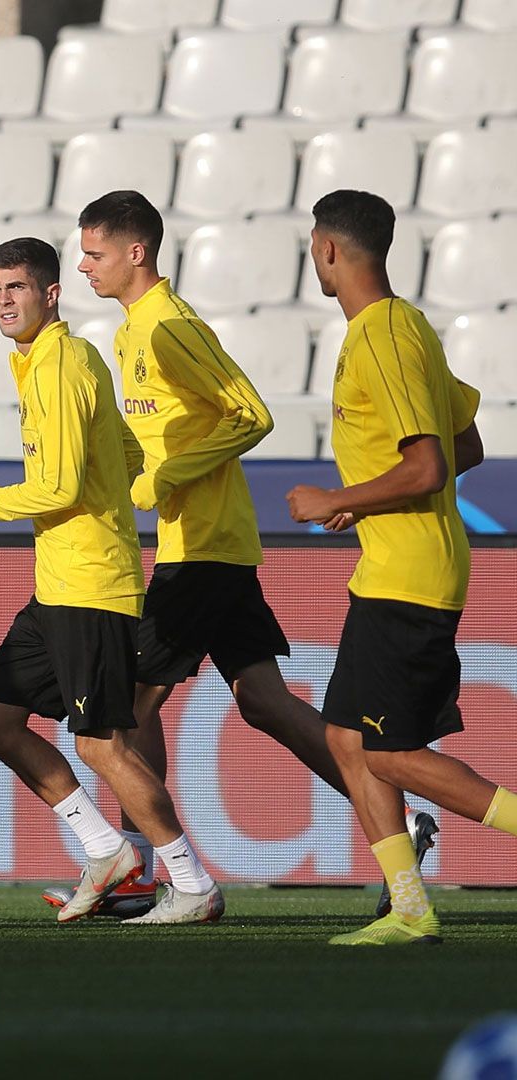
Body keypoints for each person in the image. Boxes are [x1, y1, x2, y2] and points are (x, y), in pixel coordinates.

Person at [61, 190, 436, 919]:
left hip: (201, 549)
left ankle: (156, 872)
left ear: (136, 253)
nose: (83, 267)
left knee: (127, 707)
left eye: (95, 253)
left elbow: (251, 414)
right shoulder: (131, 333)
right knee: (264, 702)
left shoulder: (170, 326)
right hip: (206, 544)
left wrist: (168, 473)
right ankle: (404, 822)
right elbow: (163, 433)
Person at [0, 237, 224, 926]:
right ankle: (105, 849)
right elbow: (121, 447)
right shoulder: (56, 361)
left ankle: (190, 879)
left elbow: (55, 486)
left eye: (17, 288)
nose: (3, 301)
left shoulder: (61, 365)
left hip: (90, 586)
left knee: (100, 744)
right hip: (57, 586)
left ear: (50, 294)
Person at [287, 189, 517, 946]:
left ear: (327, 249)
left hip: (409, 577)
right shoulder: (403, 326)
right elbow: (467, 449)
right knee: (349, 739)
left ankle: (419, 900)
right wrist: (366, 503)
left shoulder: (383, 336)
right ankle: (409, 905)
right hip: (398, 565)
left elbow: (427, 467)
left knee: (387, 750)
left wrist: (337, 497)